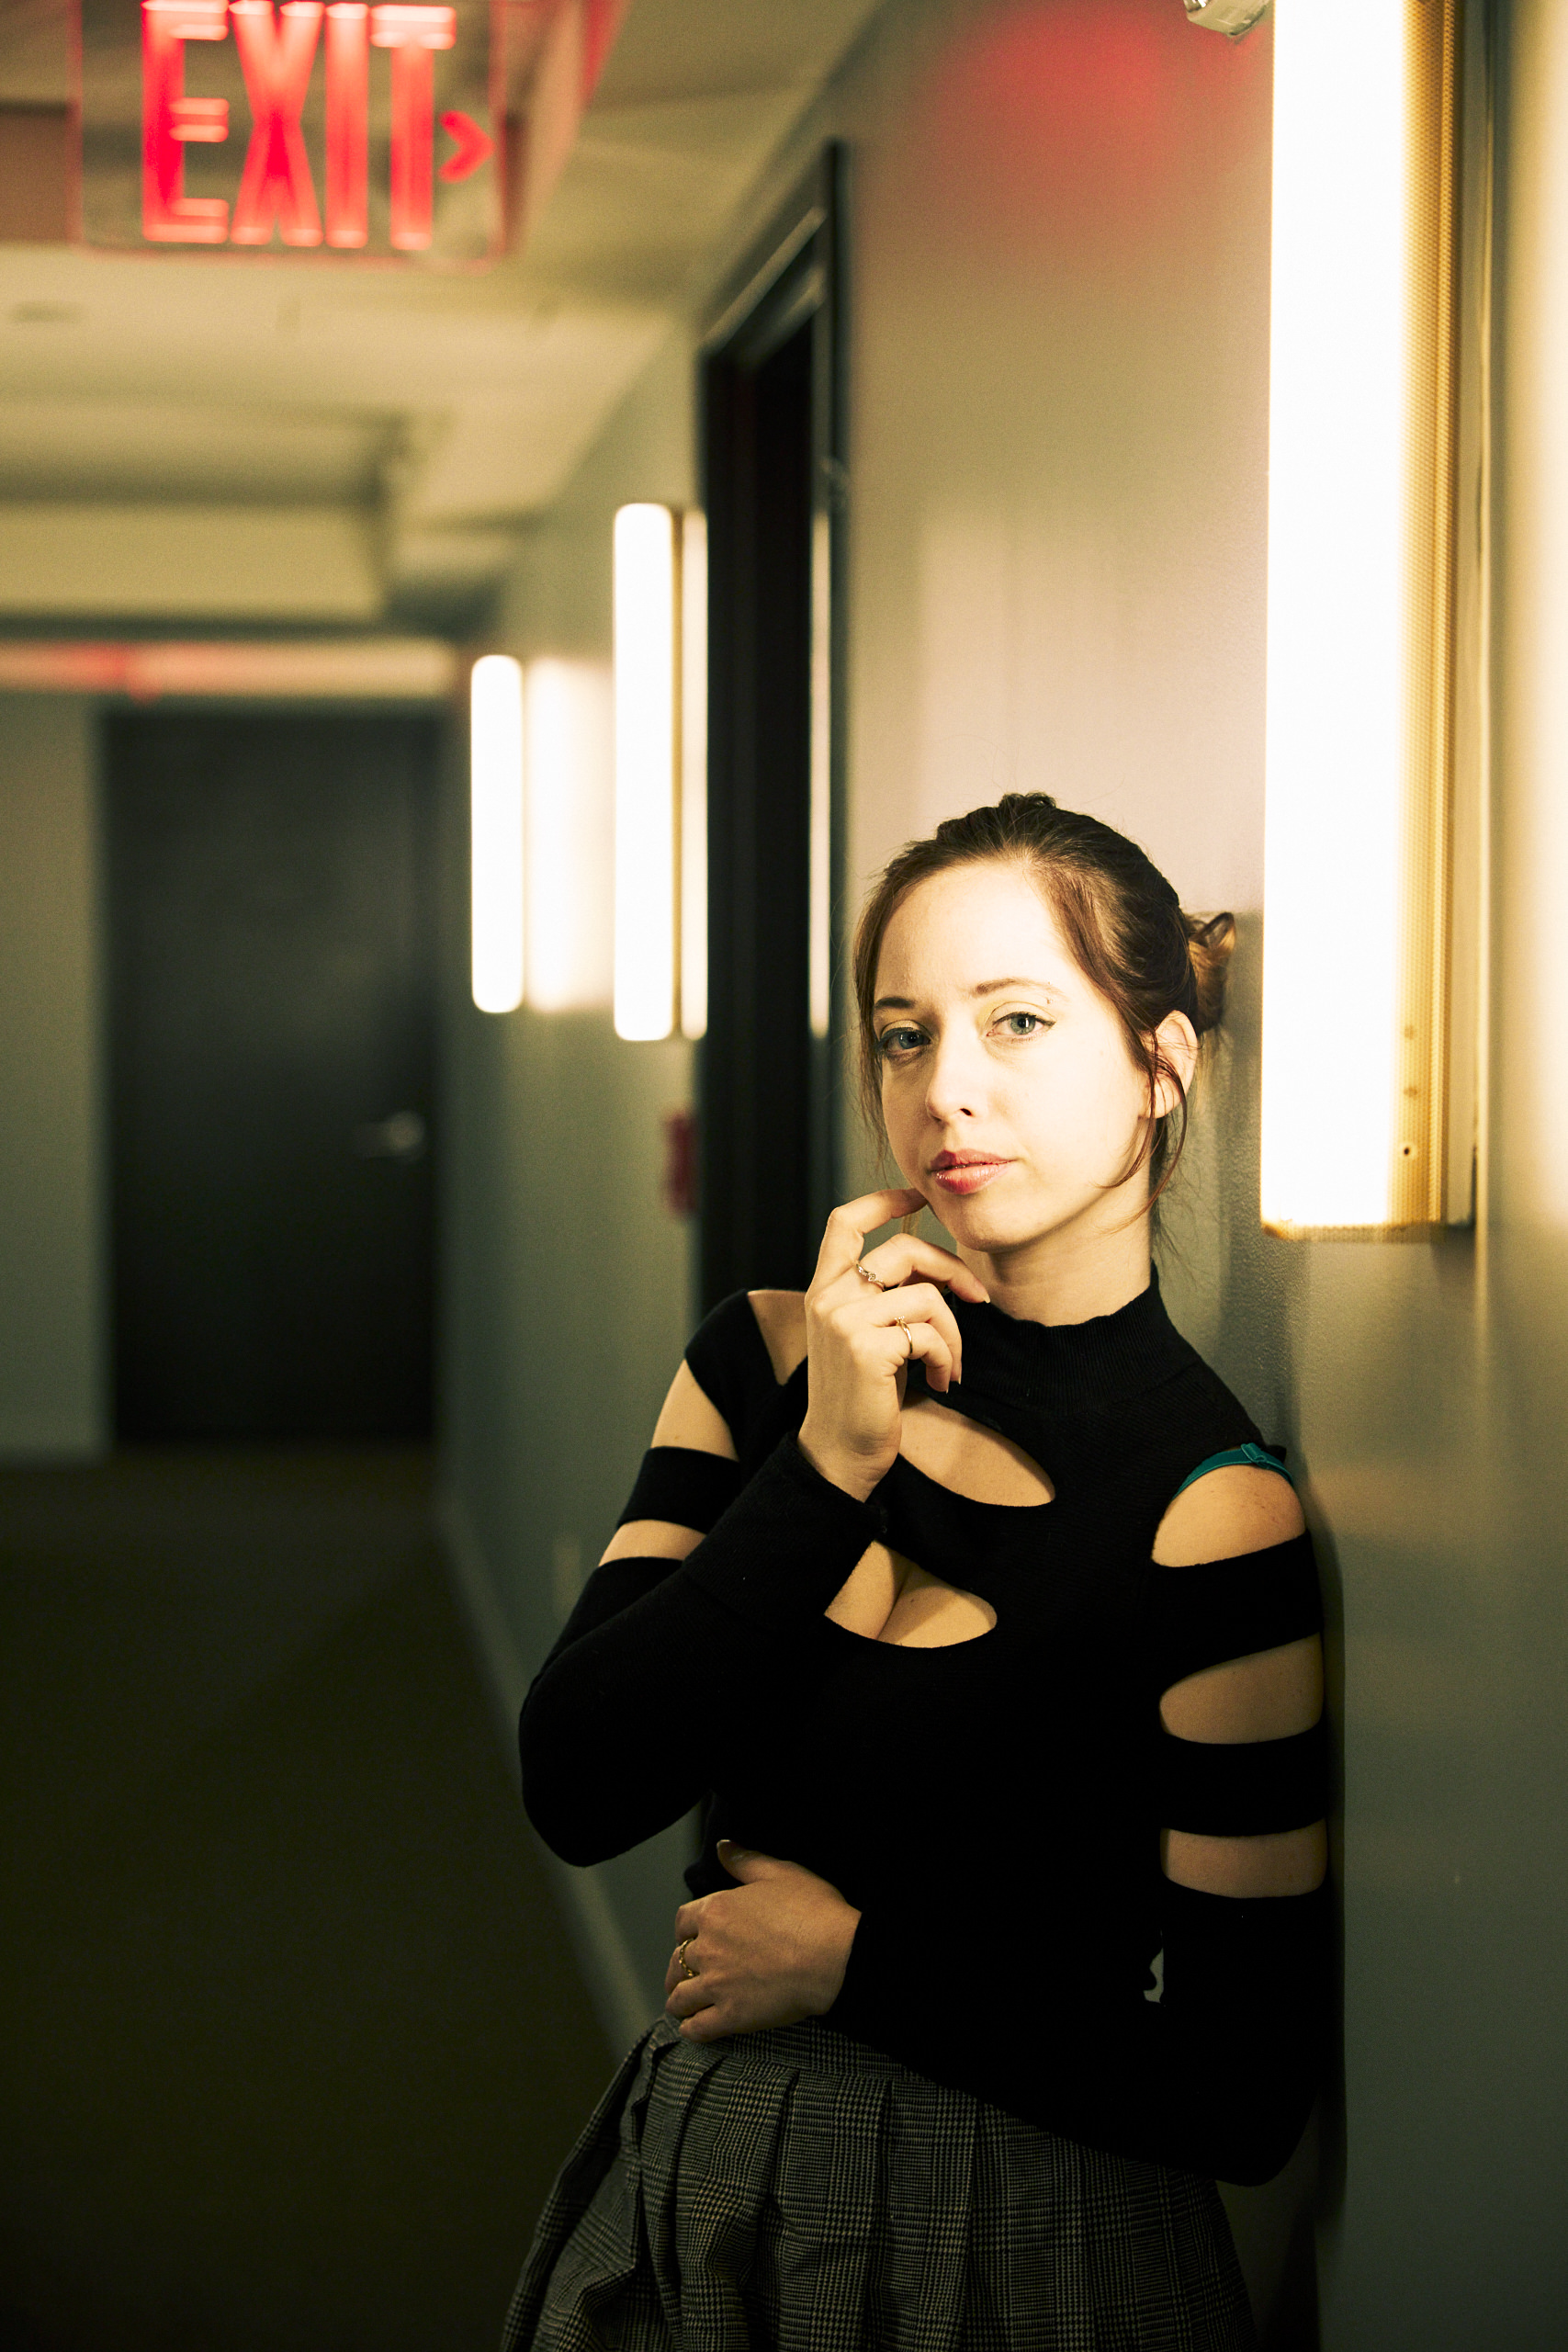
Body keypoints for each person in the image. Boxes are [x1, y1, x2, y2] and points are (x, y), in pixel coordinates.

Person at [502, 794, 1328, 2351]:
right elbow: (579, 1782)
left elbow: (1243, 2086)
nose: (950, 1090)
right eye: (904, 1035)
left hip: (1030, 2246)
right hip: (708, 2194)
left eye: (1017, 1022)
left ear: (1164, 1065)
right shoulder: (762, 1365)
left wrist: (854, 1965)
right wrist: (827, 1470)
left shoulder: (1207, 1509)